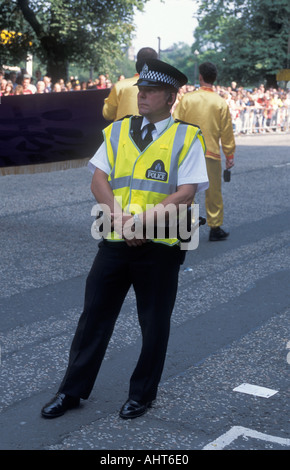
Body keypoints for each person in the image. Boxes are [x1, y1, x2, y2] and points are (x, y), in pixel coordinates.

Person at [41, 58, 209, 420]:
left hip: (161, 245)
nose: (142, 95)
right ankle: (71, 391)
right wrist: (121, 220)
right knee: (94, 317)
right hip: (117, 239)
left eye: (150, 91)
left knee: (154, 322)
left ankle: (142, 394)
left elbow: (186, 193)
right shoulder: (117, 131)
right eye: (141, 90)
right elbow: (97, 179)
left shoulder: (187, 136)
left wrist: (142, 224)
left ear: (170, 97)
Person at [174, 61, 235, 241]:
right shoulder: (220, 102)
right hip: (212, 153)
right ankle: (215, 228)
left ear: (200, 77)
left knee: (186, 191)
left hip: (188, 153)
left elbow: (176, 124)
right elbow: (226, 132)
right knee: (213, 192)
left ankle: (185, 228)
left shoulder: (187, 99)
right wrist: (229, 154)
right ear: (214, 78)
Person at [102, 47, 158, 121]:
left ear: (137, 63)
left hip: (122, 132)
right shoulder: (164, 87)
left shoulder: (120, 86)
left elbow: (107, 114)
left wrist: (110, 98)